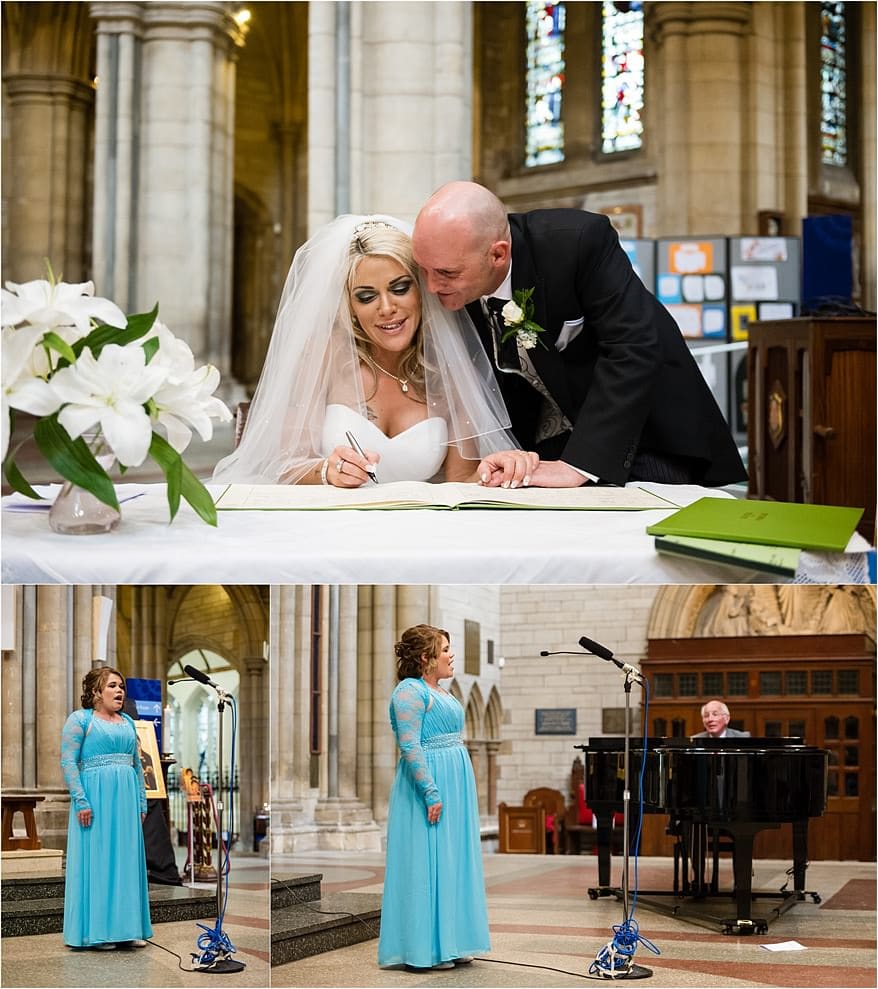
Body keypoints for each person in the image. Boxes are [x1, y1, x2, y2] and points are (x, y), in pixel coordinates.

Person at [411, 181, 748, 488]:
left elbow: (633, 347)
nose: (431, 286)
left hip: (641, 436)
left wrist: (580, 465)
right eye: (423, 270)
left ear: (498, 254)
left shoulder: (576, 242)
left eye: (446, 273)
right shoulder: (453, 285)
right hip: (541, 447)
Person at [213, 215, 537, 488]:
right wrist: (328, 471)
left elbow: (462, 478)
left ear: (422, 290)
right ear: (350, 307)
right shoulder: (325, 354)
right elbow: (284, 465)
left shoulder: (446, 367)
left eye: (400, 288)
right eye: (366, 297)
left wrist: (502, 467)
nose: (386, 308)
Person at [378, 625, 490, 971]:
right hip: (429, 784)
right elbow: (410, 745)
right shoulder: (408, 692)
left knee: (452, 860)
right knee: (428, 861)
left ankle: (453, 941)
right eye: (444, 649)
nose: (451, 654)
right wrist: (430, 791)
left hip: (455, 781)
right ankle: (426, 949)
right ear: (425, 658)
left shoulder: (439, 690)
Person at [60, 668, 153, 949]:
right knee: (100, 861)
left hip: (125, 801)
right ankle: (98, 931)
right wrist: (81, 800)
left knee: (126, 862)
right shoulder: (80, 720)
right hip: (96, 800)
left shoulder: (126, 721)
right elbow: (68, 762)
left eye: (122, 686)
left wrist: (141, 801)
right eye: (113, 685)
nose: (120, 690)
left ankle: (128, 929)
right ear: (96, 692)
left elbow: (137, 765)